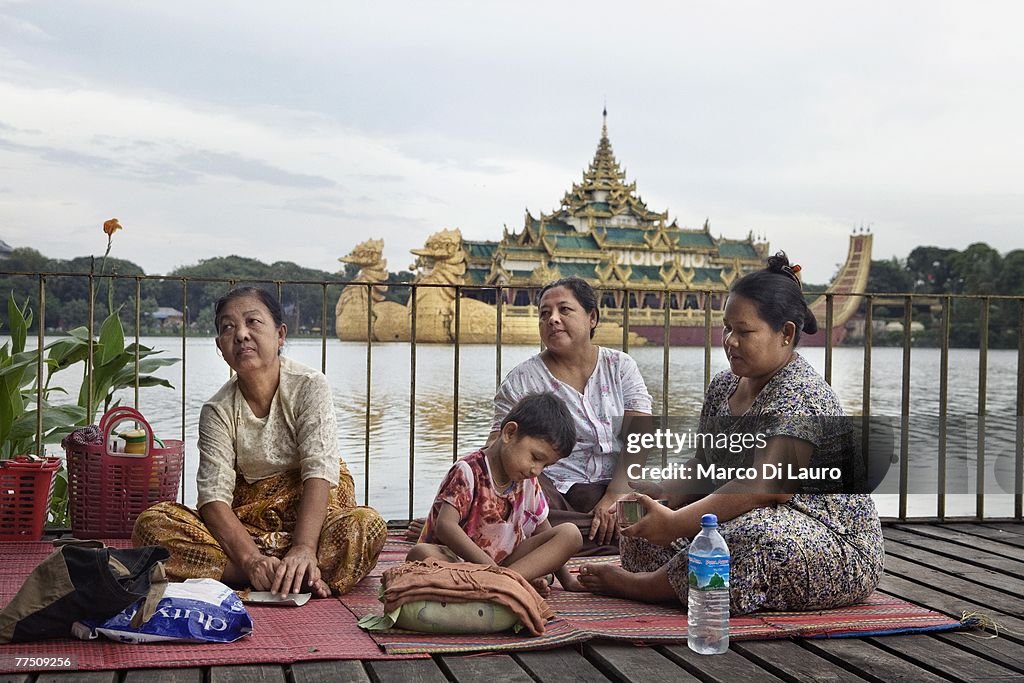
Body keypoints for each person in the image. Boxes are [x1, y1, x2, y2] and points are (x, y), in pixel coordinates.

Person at [578, 252, 884, 615]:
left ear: (785, 333)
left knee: (751, 537)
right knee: (641, 533)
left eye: (745, 332)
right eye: (727, 328)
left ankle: (647, 586)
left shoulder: (802, 393)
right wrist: (662, 496)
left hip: (831, 544)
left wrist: (676, 520)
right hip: (751, 520)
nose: (730, 341)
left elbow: (768, 487)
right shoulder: (724, 386)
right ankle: (679, 580)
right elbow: (704, 464)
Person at [134, 286, 386, 597]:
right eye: (228, 327)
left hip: (314, 523)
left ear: (280, 335)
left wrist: (305, 547)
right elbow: (213, 498)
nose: (240, 334)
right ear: (220, 346)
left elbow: (320, 470)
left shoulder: (309, 386)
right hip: (250, 529)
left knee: (366, 525)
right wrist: (251, 559)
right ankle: (274, 574)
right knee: (151, 525)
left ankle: (295, 565)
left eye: (253, 322)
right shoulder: (217, 410)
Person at [490, 277, 653, 555]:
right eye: (544, 314)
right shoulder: (522, 380)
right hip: (552, 490)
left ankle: (560, 540)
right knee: (525, 500)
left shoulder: (620, 366)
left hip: (616, 484)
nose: (552, 319)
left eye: (564, 310)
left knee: (662, 499)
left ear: (592, 317)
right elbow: (496, 447)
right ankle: (609, 536)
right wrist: (463, 501)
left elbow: (640, 438)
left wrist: (613, 498)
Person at [408, 393, 585, 594]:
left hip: (505, 562)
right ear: (509, 433)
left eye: (545, 465)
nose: (536, 470)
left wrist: (568, 581)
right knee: (420, 554)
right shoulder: (468, 471)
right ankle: (509, 582)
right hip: (459, 561)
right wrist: (492, 569)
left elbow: (545, 531)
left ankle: (505, 581)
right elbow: (446, 527)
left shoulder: (528, 481)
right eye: (536, 457)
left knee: (570, 534)